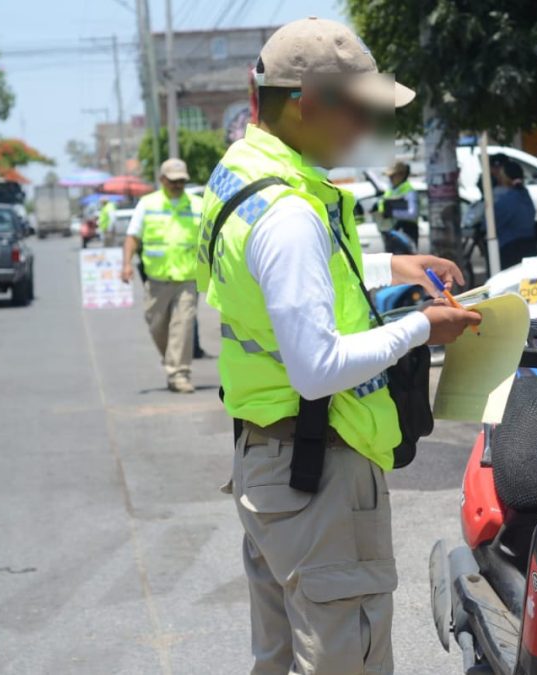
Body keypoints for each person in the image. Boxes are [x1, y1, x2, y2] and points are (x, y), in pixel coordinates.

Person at [195, 18, 480, 674]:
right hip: (317, 472)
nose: (367, 132)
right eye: (361, 112)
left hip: (267, 459)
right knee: (344, 659)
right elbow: (317, 366)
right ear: (309, 103)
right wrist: (422, 329)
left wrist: (393, 269)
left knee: (279, 656)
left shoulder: (242, 176)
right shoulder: (292, 213)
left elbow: (281, 281)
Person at [121, 158, 203, 393]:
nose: (178, 185)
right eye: (173, 181)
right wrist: (126, 264)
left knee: (184, 325)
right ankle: (172, 361)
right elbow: (133, 237)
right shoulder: (148, 204)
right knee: (157, 325)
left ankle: (179, 373)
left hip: (187, 278)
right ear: (162, 180)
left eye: (182, 181)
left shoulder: (197, 205)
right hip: (156, 279)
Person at [494, 157, 536, 269]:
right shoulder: (525, 194)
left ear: (505, 178)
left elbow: (493, 222)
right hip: (529, 245)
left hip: (510, 248)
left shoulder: (506, 199)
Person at [376, 160, 419, 245]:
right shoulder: (390, 190)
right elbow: (382, 206)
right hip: (391, 230)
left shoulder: (409, 191)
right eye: (389, 176)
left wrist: (392, 213)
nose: (390, 179)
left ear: (402, 175)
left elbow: (413, 214)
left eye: (392, 176)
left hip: (407, 230)